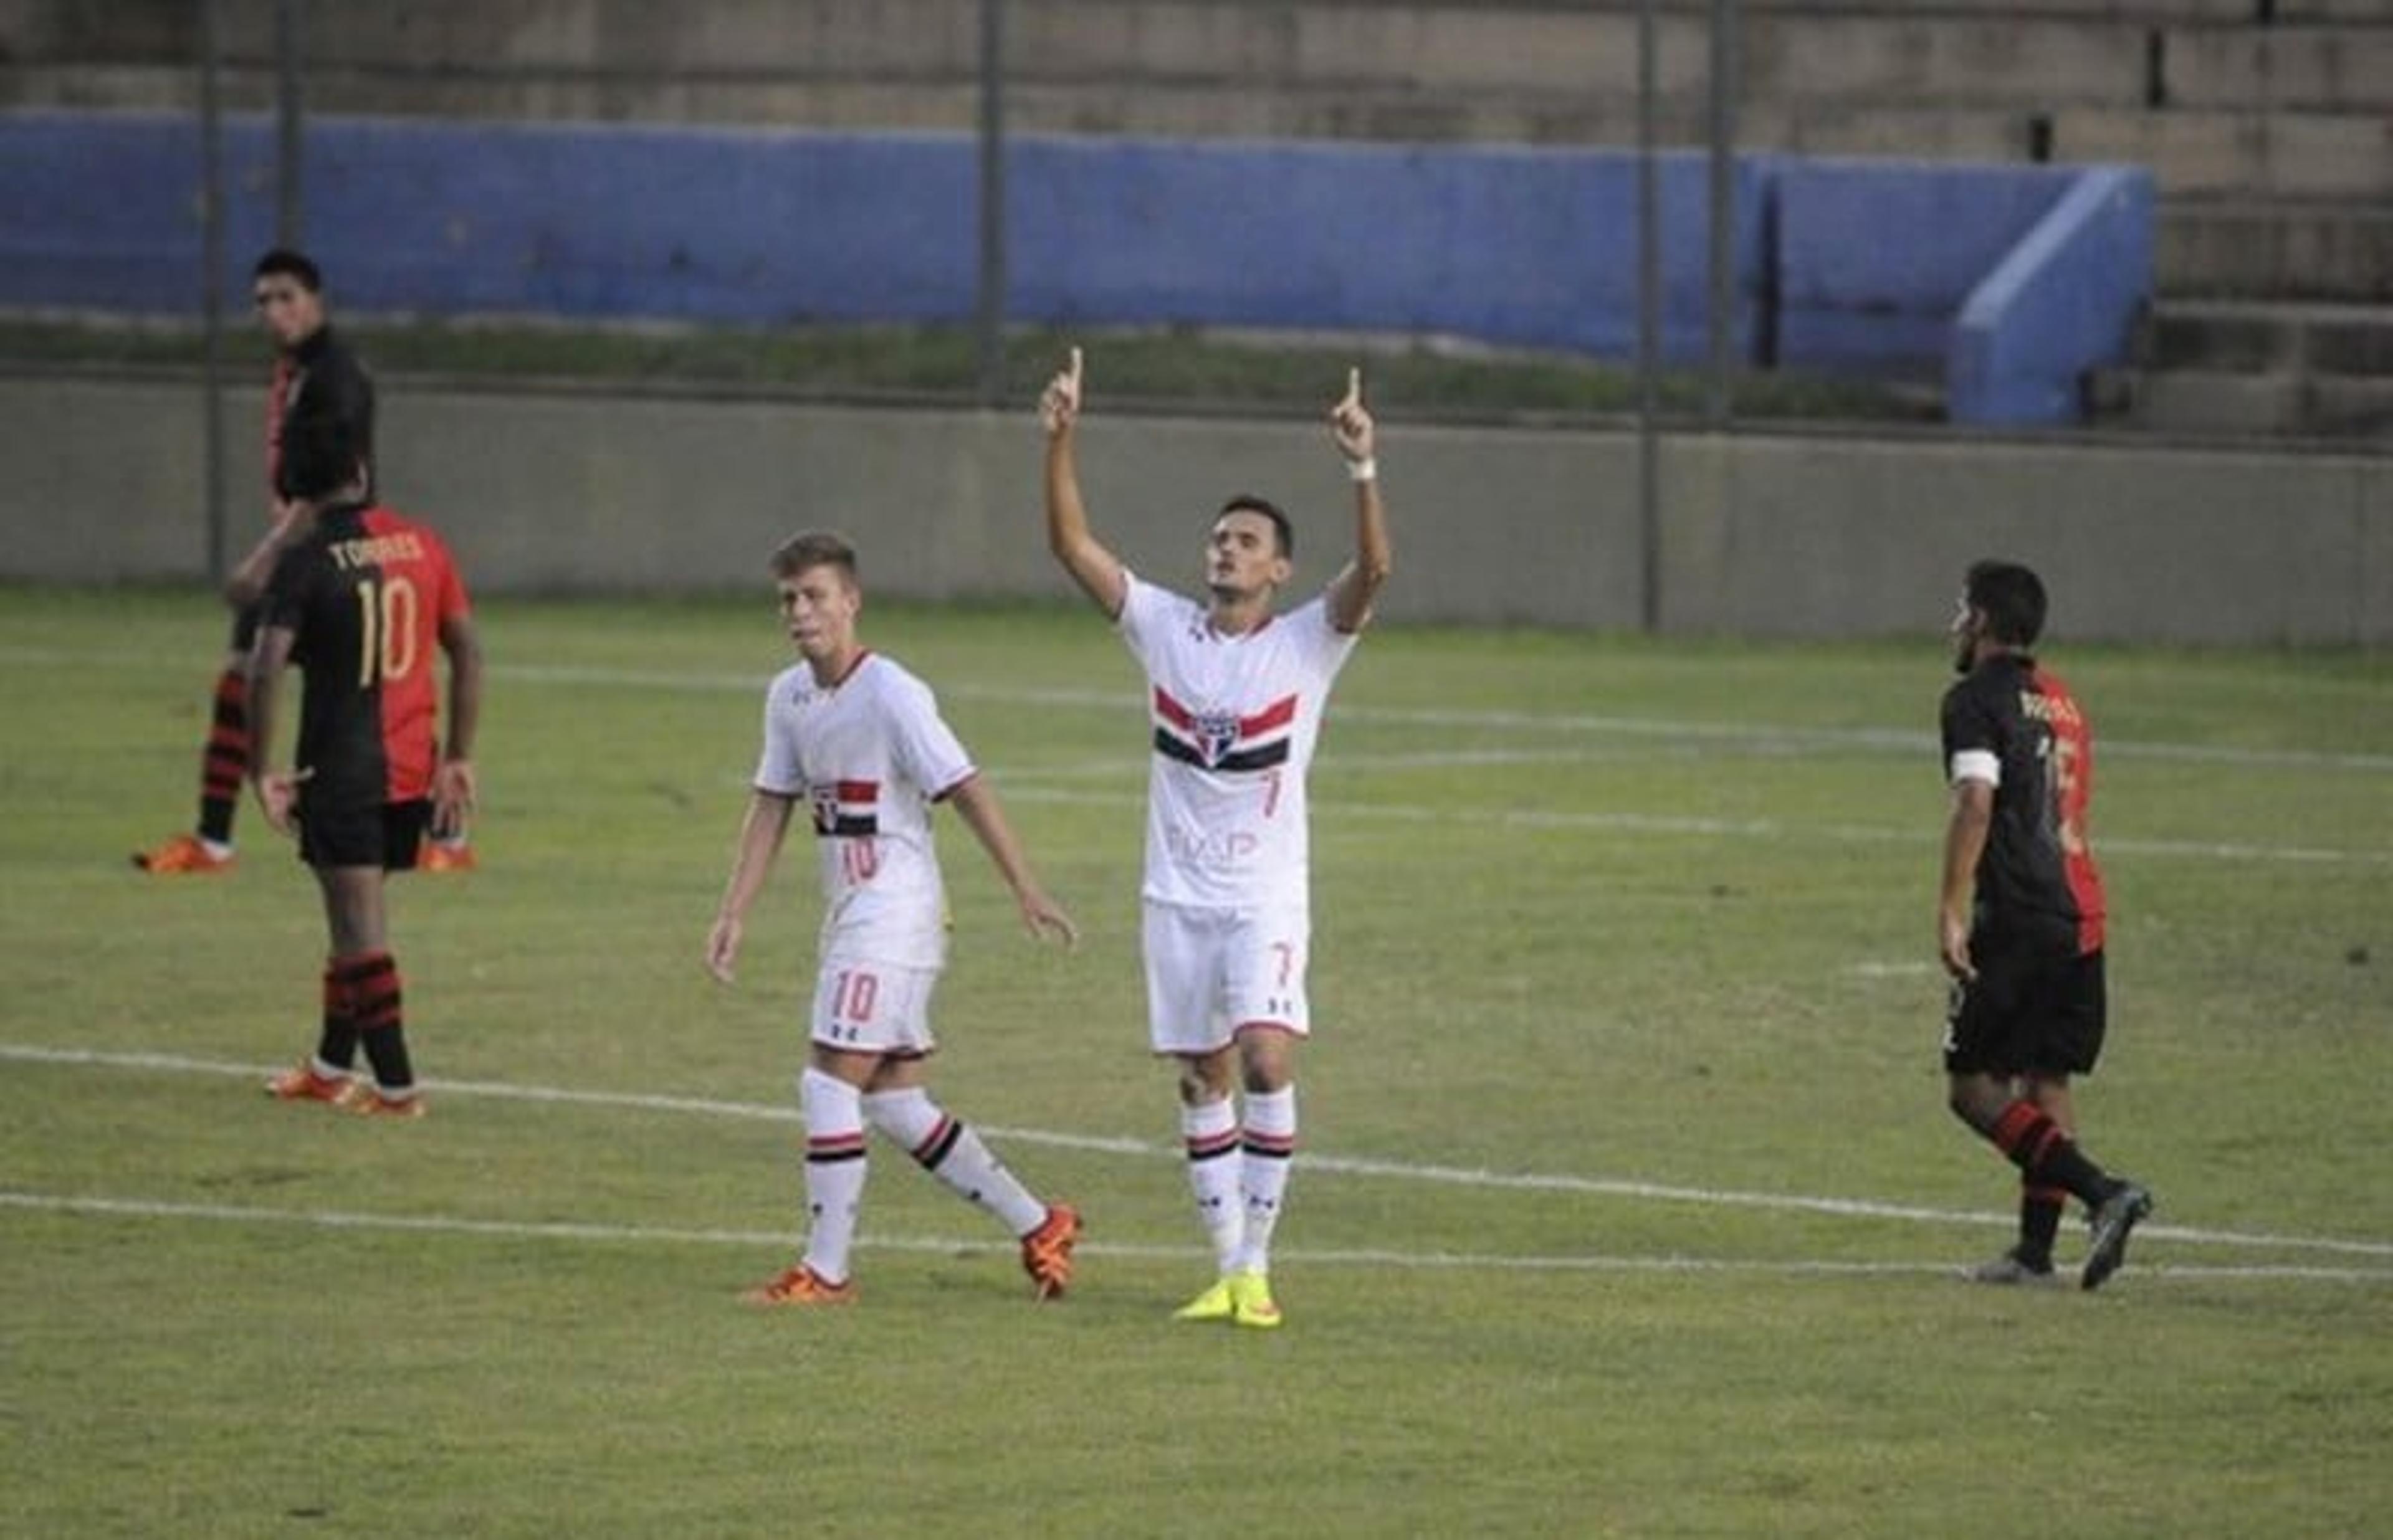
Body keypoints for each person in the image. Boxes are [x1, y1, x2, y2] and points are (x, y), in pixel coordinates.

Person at [1039, 348, 1390, 1329]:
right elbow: (1072, 546)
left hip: (1265, 897)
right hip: (1175, 899)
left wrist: (1362, 467)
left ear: (1279, 568)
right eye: (1218, 539)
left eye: (1245, 542)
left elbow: (1377, 572)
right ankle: (1227, 1269)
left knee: (1269, 1058)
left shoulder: (1308, 642)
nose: (1225, 550)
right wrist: (1061, 436)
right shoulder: (1162, 629)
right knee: (1204, 1075)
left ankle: (1261, 1267)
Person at [705, 531, 1084, 1307]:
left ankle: (826, 1271)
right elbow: (771, 805)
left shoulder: (894, 694)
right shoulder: (789, 696)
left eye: (814, 596)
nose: (800, 613)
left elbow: (967, 786)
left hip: (896, 915)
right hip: (855, 917)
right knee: (892, 1102)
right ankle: (1042, 1222)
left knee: (825, 1083)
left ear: (851, 601)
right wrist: (734, 911)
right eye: (789, 600)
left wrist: (1027, 888)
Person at [136, 247, 479, 876]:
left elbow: (328, 484)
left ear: (316, 300)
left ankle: (445, 837)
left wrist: (264, 558)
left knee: (372, 703)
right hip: (314, 552)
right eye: (263, 300)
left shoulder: (335, 376)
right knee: (256, 681)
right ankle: (215, 840)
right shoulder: (299, 370)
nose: (274, 310)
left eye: (286, 296)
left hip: (337, 557)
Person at [246, 415, 481, 1118]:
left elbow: (264, 668)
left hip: (342, 772)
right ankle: (327, 1066)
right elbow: (468, 651)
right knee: (350, 921)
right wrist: (460, 757)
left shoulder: (307, 561)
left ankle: (398, 1086)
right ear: (359, 472)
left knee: (360, 929)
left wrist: (261, 769)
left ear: (301, 491)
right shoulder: (425, 545)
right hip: (412, 766)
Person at [1938, 559, 2153, 1291]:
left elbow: (1976, 800)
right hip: (2081, 912)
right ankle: (2035, 1255)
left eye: (1963, 611)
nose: (1955, 624)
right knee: (2046, 1076)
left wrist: (1953, 907)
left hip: (2022, 912)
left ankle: (2103, 1193)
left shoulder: (1974, 699)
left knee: (1973, 1089)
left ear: (1986, 624)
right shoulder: (2062, 702)